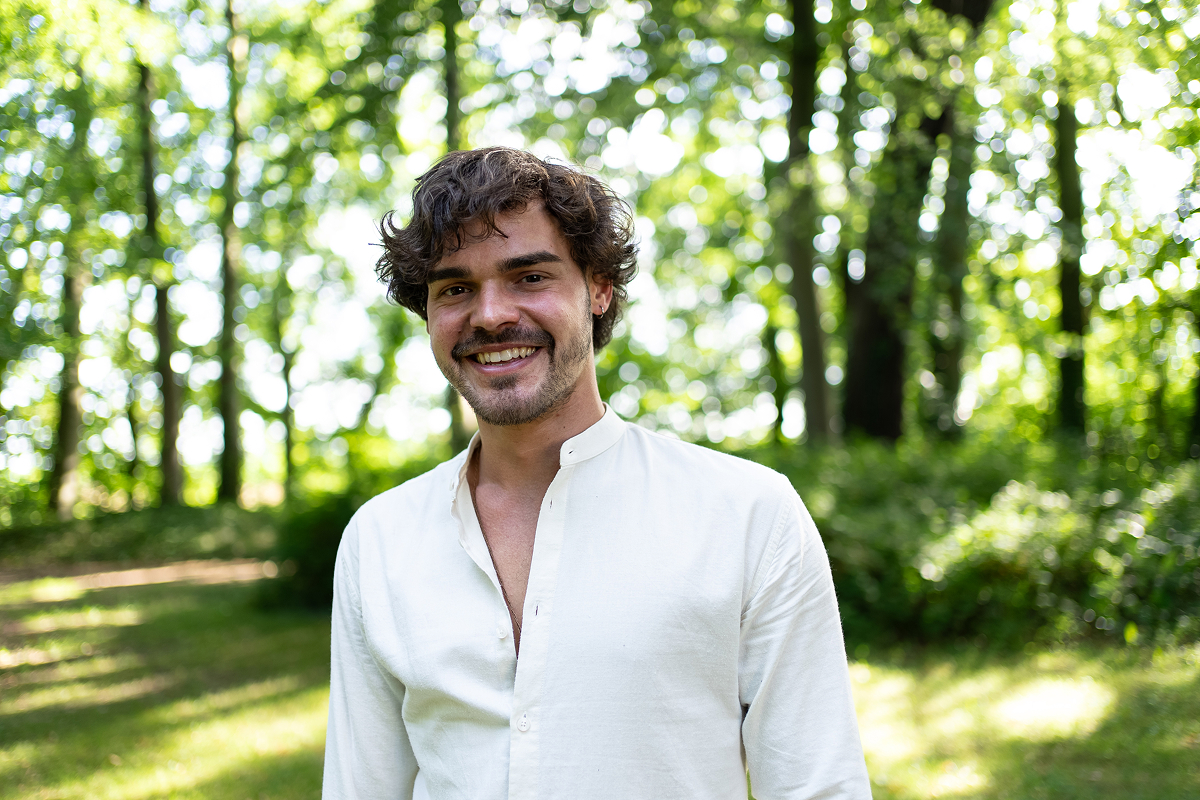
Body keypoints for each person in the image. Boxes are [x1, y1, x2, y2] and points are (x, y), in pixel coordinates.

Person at [322, 147, 871, 800]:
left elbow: (820, 786)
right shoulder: (379, 540)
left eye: (529, 277)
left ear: (599, 288)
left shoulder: (747, 514)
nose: (490, 313)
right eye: (456, 288)